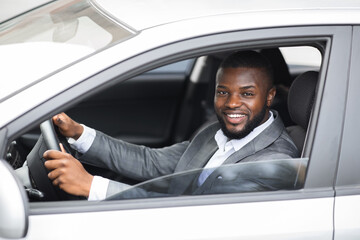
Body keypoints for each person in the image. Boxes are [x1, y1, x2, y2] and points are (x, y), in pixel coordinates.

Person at [43, 50, 299, 200]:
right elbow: (151, 162)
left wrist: (92, 186)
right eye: (223, 92)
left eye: (246, 94)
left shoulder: (273, 162)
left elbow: (197, 217)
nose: (231, 103)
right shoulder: (216, 132)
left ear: (269, 97)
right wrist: (79, 133)